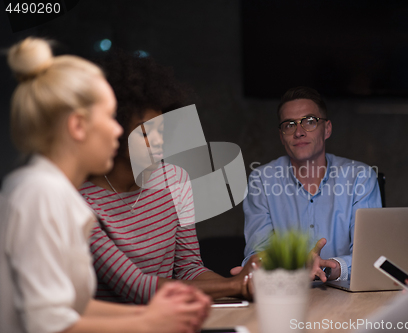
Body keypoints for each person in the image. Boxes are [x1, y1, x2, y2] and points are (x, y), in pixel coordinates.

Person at [0, 37, 210, 333]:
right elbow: (45, 323)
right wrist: (150, 321)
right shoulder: (39, 193)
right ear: (77, 126)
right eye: (110, 117)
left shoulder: (59, 194)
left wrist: (160, 314)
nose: (117, 130)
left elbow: (75, 307)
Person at [79, 50, 255, 304]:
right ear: (115, 134)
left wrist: (244, 286)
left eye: (161, 129)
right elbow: (137, 287)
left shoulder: (175, 180)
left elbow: (189, 269)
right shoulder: (80, 201)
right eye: (147, 133)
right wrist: (237, 285)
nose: (160, 141)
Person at [238, 86, 382, 281]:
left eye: (310, 122)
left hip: (345, 298)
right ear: (281, 136)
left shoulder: (360, 177)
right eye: (289, 125)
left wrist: (327, 269)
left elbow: (369, 255)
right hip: (284, 295)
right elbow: (257, 253)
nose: (299, 132)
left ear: (327, 129)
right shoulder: (261, 181)